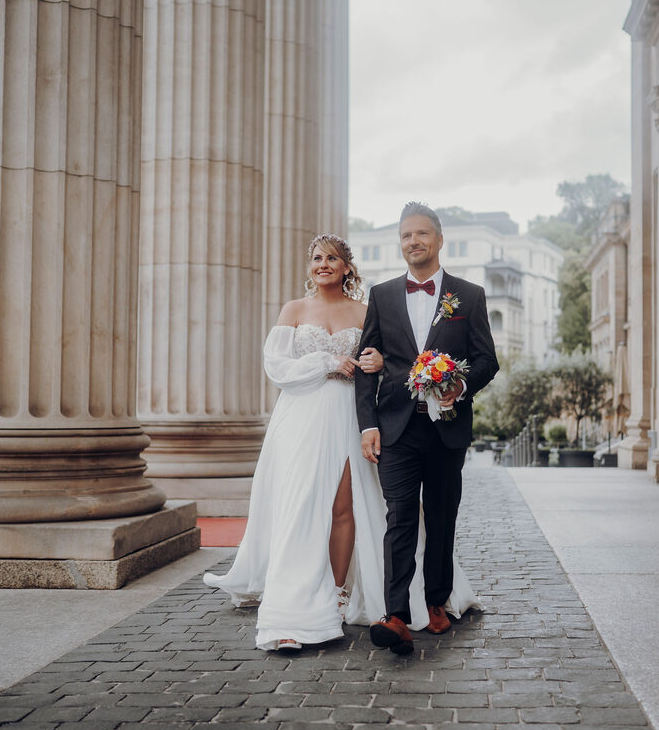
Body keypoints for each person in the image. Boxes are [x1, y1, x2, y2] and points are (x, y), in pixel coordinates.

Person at [204, 234, 478, 650]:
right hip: (302, 415)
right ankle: (293, 601)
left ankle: (338, 592)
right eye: (316, 258)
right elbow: (276, 366)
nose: (323, 264)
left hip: (350, 415)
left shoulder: (368, 310)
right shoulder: (294, 310)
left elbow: (389, 364)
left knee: (344, 506)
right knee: (300, 503)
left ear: (347, 267)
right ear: (309, 266)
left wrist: (381, 363)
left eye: (332, 258)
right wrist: (327, 361)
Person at [355, 202, 499, 655]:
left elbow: (487, 359)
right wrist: (367, 425)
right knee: (398, 518)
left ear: (438, 239)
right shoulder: (382, 295)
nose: (412, 242)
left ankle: (436, 600)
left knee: (441, 517)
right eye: (405, 236)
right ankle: (395, 613)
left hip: (447, 428)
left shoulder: (469, 295)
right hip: (396, 427)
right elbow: (365, 365)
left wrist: (461, 384)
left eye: (420, 234)